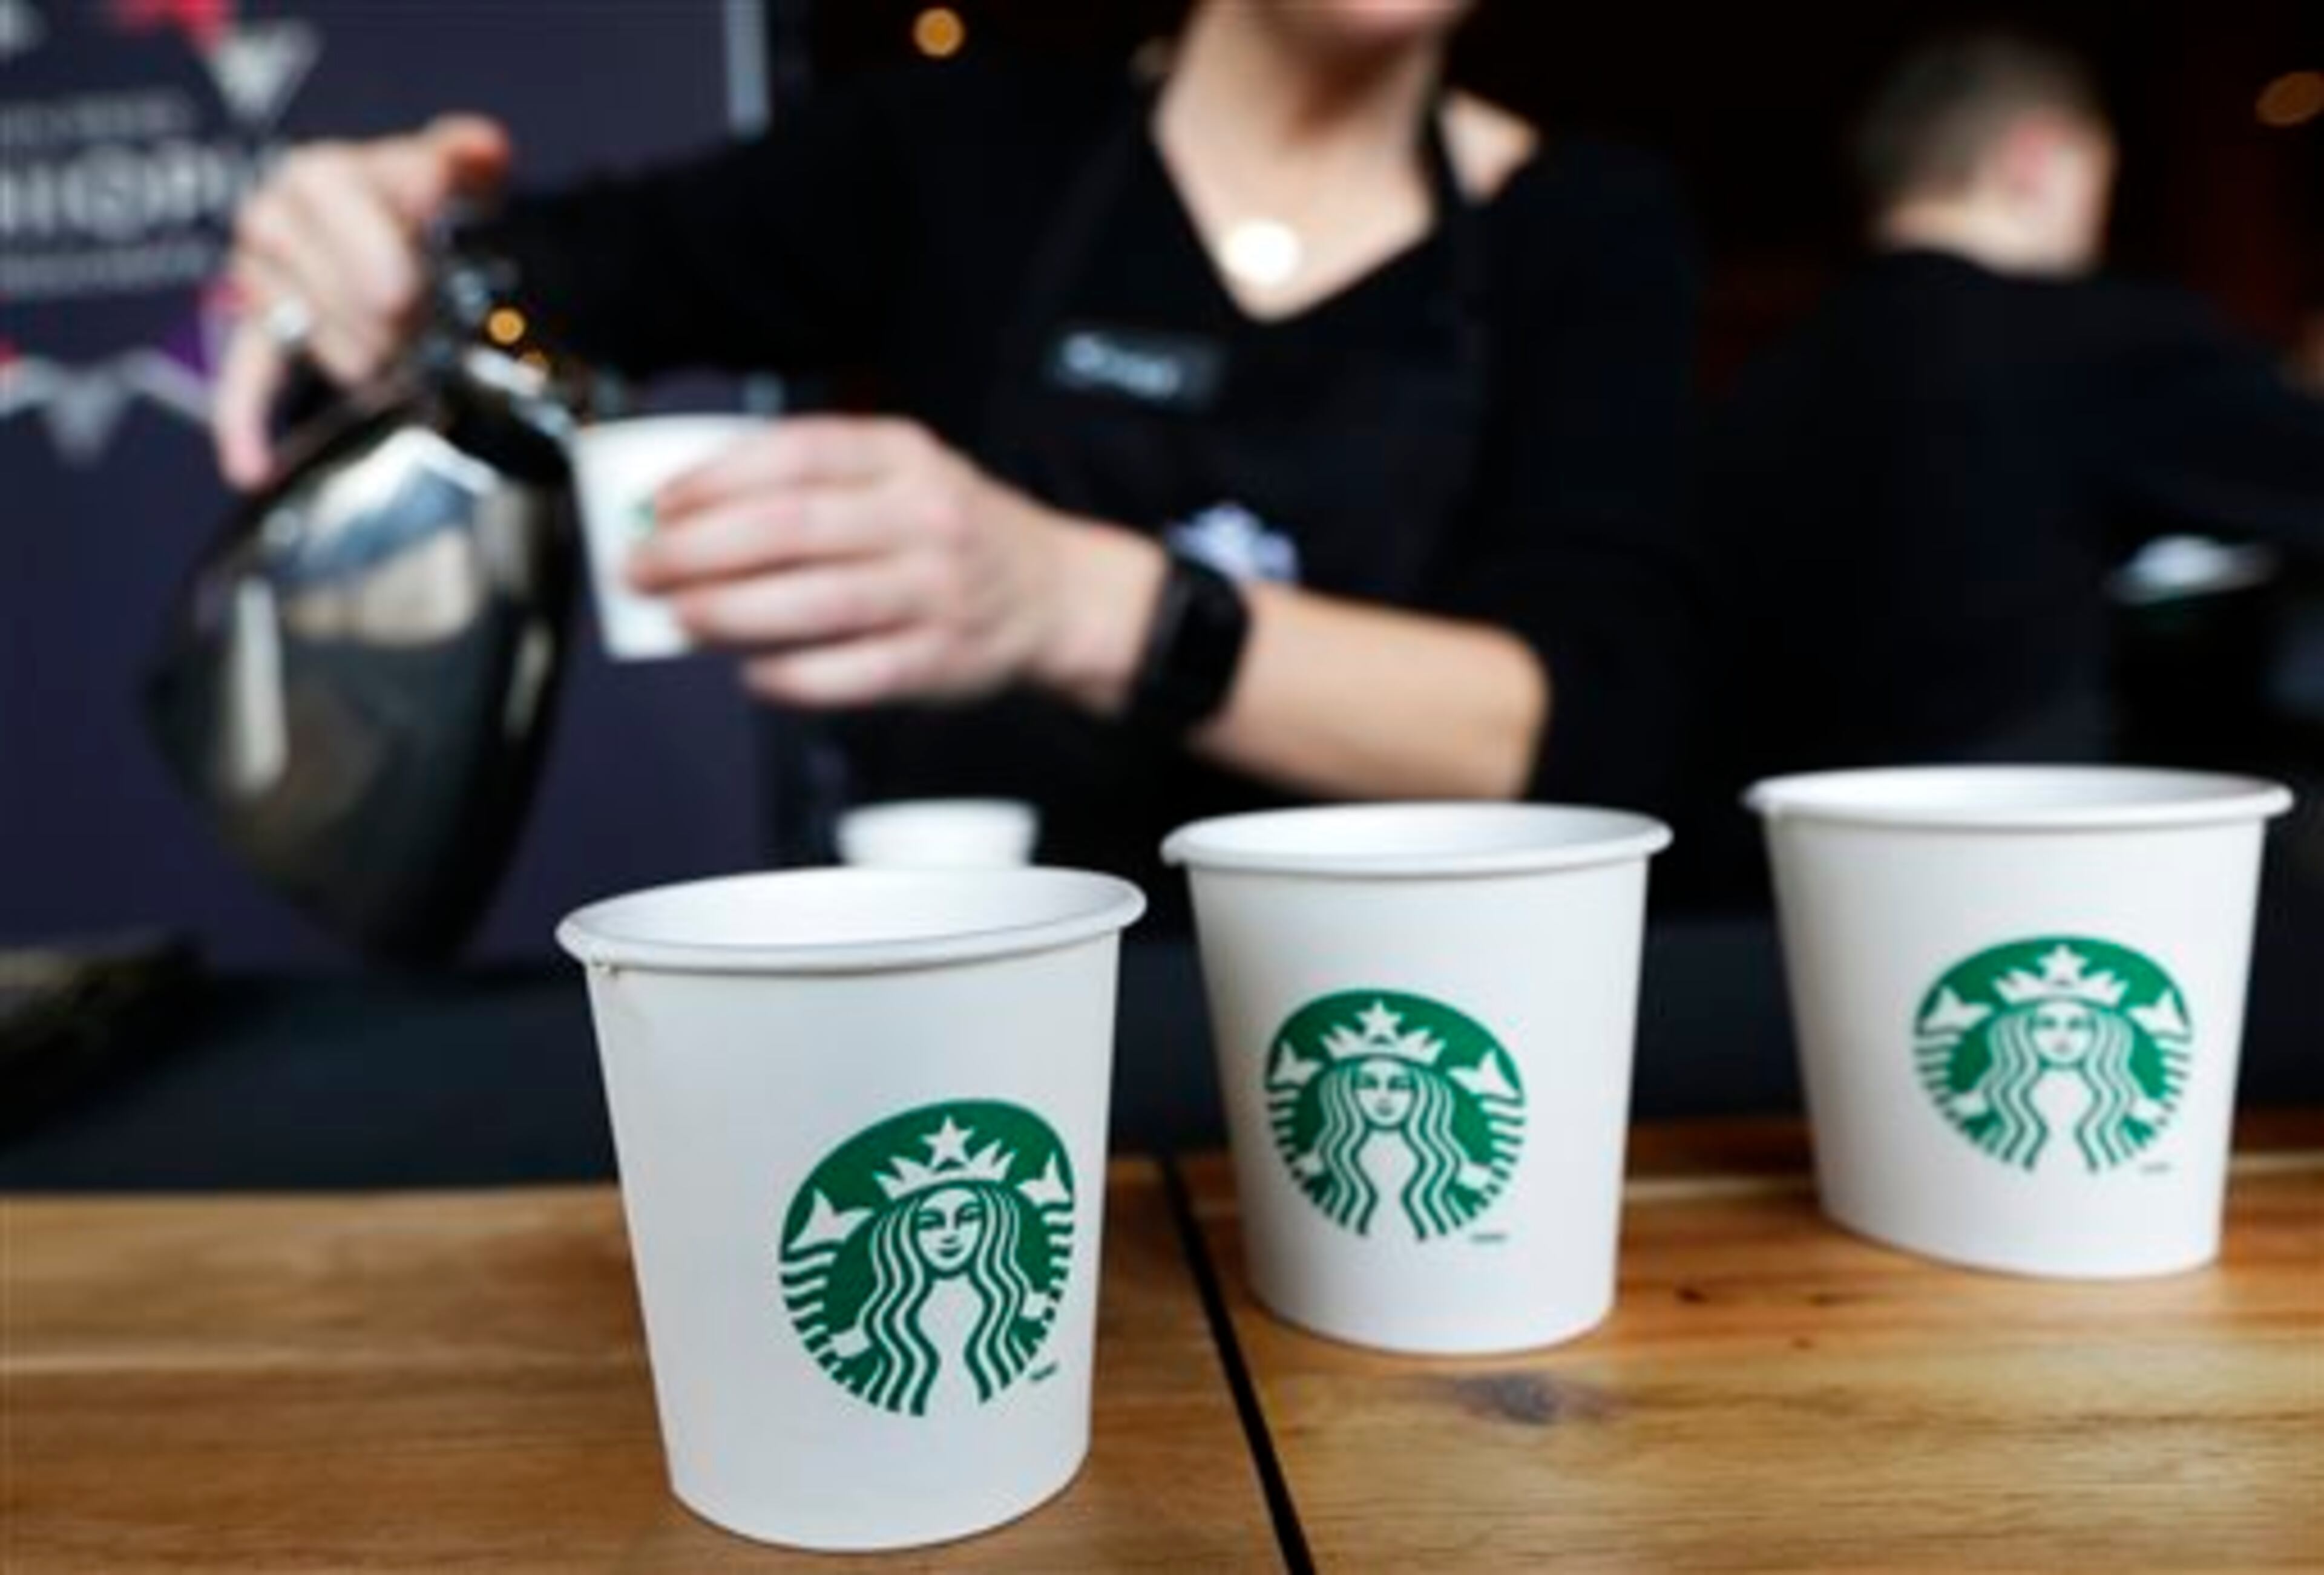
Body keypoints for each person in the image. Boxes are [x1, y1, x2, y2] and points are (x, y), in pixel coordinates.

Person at [211, 0, 1701, 913]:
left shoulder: (1585, 228)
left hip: (1367, 1034)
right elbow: (539, 287)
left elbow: (1571, 744)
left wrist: (1078, 604)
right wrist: (387, 256)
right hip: (968, 1029)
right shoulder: (964, 147)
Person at [1684, 31, 2324, 898]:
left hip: (1780, 871)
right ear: (2038, 158)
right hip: (2021, 868)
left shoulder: (1767, 374)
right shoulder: (2083, 340)